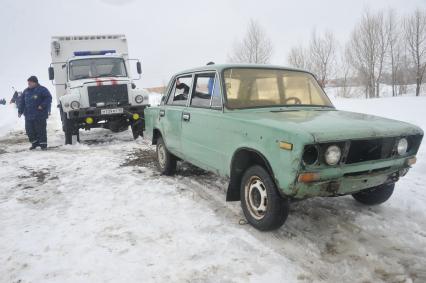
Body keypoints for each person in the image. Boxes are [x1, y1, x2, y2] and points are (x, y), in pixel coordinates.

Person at [18, 76, 52, 150]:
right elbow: (22, 102)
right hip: (28, 115)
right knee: (29, 131)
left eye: (30, 82)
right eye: (28, 82)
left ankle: (43, 145)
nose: (28, 84)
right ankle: (34, 143)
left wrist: (42, 105)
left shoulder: (42, 89)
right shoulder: (26, 91)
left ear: (35, 82)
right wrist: (20, 111)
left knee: (40, 130)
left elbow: (48, 98)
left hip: (40, 115)